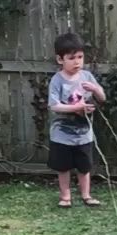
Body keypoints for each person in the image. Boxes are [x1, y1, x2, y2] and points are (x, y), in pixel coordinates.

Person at [48, 32, 105, 208]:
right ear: (60, 59)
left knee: (84, 167)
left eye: (80, 57)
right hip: (61, 135)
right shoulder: (57, 80)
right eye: (72, 58)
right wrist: (76, 108)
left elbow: (102, 98)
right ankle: (65, 197)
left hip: (84, 134)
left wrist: (95, 89)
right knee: (63, 167)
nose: (77, 62)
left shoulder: (87, 77)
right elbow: (54, 106)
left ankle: (86, 195)